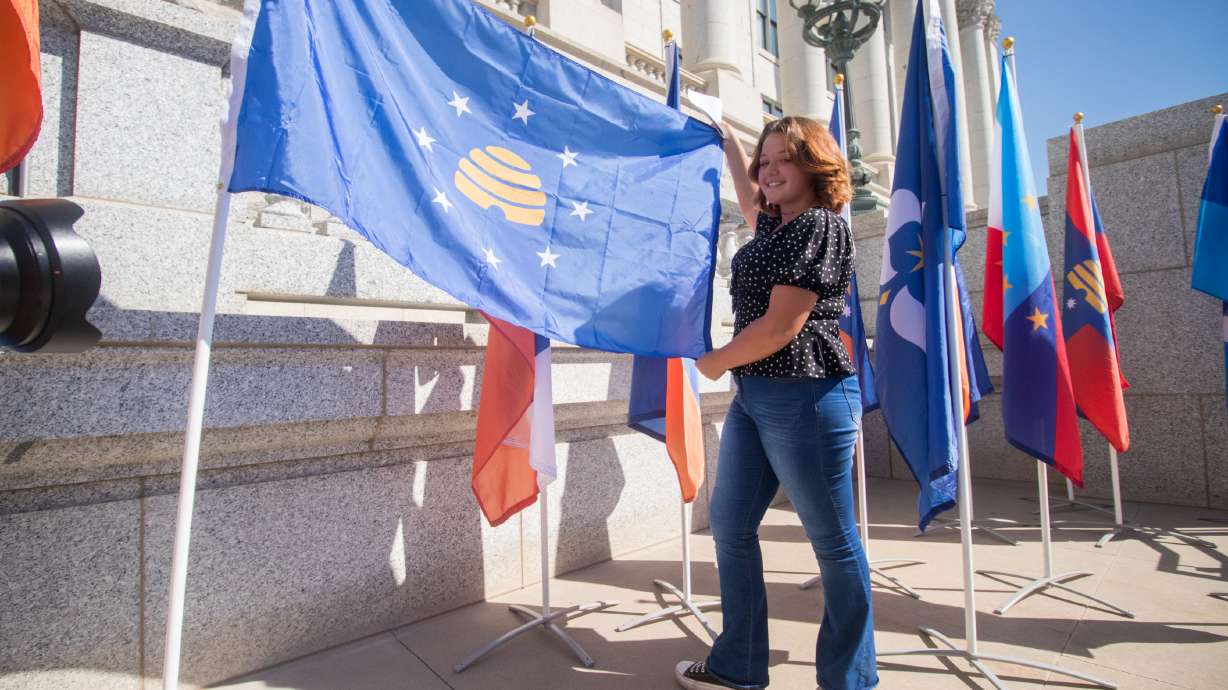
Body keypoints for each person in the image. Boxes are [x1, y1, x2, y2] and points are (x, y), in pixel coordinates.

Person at [674, 117, 877, 690]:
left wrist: (715, 360)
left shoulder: (819, 225)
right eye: (766, 162)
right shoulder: (771, 226)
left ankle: (850, 680)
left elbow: (783, 324)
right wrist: (733, 144)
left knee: (832, 541)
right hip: (756, 397)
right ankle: (738, 664)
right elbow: (747, 194)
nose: (770, 171)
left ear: (814, 164)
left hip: (807, 397)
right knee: (730, 526)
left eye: (784, 159)